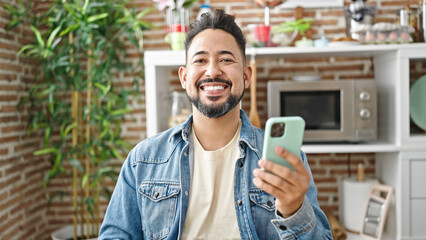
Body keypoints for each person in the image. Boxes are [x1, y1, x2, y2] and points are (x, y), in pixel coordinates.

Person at [99, 9, 332, 240]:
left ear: (246, 76)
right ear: (183, 77)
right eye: (200, 60)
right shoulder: (142, 160)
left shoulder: (284, 161)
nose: (212, 71)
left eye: (226, 59)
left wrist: (294, 210)